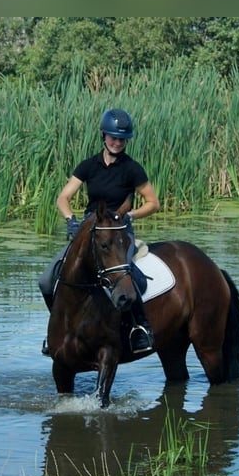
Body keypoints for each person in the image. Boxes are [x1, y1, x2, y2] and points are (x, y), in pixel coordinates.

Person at [39, 108, 161, 356]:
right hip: (90, 230)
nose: (117, 142)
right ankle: (56, 329)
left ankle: (140, 328)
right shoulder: (88, 166)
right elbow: (63, 197)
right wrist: (71, 219)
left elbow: (153, 203)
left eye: (122, 139)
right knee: (47, 279)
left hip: (118, 232)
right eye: (113, 137)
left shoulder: (132, 169)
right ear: (103, 136)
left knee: (131, 277)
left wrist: (130, 215)